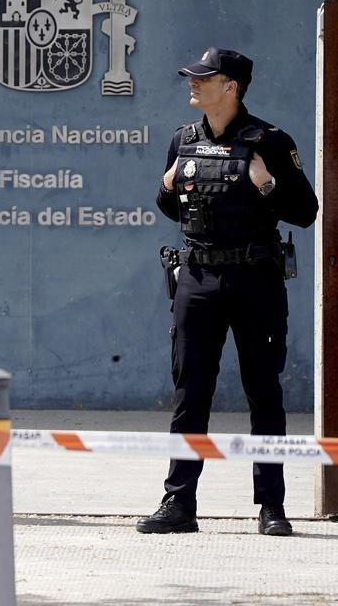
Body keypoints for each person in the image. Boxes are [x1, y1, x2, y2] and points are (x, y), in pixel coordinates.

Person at [139, 48, 317, 536]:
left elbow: (305, 212)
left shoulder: (271, 141)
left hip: (255, 279)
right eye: (192, 78)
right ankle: (178, 503)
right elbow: (177, 207)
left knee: (264, 393)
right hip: (196, 280)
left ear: (231, 86)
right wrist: (165, 185)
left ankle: (271, 507)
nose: (192, 84)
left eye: (204, 78)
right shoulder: (183, 139)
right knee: (189, 393)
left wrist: (265, 185)